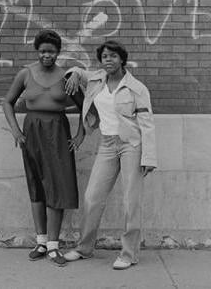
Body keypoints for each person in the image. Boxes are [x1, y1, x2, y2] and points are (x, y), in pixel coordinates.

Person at [61, 40, 157, 270]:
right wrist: (73, 73)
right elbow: (78, 71)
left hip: (130, 145)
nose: (108, 60)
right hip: (106, 144)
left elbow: (147, 123)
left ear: (122, 59)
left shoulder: (136, 88)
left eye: (113, 56)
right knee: (92, 196)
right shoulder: (97, 79)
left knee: (130, 201)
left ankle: (129, 253)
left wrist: (149, 157)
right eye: (105, 56)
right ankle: (84, 248)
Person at [2, 29, 83, 267]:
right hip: (32, 132)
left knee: (57, 187)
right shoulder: (26, 74)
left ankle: (53, 246)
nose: (47, 55)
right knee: (36, 185)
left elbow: (86, 105)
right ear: (37, 51)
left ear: (58, 52)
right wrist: (16, 131)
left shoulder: (67, 76)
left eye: (52, 51)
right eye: (43, 51)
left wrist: (80, 135)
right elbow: (7, 102)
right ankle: (40, 241)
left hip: (57, 132)